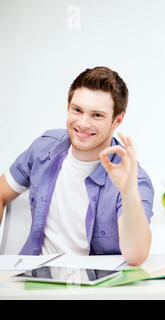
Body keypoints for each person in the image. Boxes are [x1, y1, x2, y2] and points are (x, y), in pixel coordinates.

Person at [0, 67, 154, 266]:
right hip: (35, 281)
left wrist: (128, 192)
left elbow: (136, 256)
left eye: (97, 115)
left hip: (93, 291)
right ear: (68, 107)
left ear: (117, 119)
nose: (83, 123)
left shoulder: (134, 180)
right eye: (77, 110)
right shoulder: (44, 148)